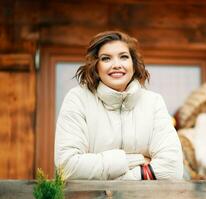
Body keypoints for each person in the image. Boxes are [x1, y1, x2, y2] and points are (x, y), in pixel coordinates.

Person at [54, 31, 183, 180]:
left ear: (133, 65)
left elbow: (172, 169)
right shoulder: (78, 99)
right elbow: (67, 166)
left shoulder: (153, 102)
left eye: (123, 57)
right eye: (106, 58)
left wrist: (115, 179)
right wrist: (136, 160)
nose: (116, 65)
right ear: (96, 67)